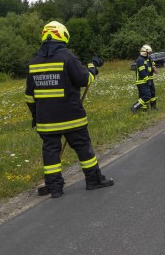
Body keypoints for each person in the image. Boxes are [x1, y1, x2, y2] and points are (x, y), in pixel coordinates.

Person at [25, 21, 114, 198]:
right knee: (83, 148)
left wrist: (36, 116)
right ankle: (93, 180)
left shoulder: (34, 63)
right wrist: (92, 68)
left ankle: (55, 188)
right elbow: (84, 80)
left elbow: (29, 96)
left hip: (46, 120)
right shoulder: (68, 57)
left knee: (51, 152)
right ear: (62, 36)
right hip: (71, 117)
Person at [131, 44, 153, 112]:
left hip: (142, 81)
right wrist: (148, 80)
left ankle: (144, 110)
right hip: (142, 81)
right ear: (145, 52)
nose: (149, 55)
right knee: (147, 96)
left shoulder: (143, 59)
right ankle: (135, 107)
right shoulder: (141, 60)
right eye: (149, 53)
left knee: (142, 96)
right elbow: (142, 72)